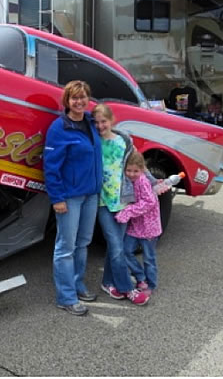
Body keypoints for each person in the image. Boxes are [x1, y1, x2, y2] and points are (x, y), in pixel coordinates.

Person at [43, 80, 102, 316]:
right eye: (74, 98)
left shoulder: (91, 122)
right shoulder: (59, 128)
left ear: (88, 99)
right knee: (65, 247)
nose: (79, 102)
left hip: (91, 194)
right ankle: (66, 297)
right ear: (67, 101)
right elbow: (50, 167)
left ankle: (78, 285)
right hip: (69, 197)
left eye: (83, 97)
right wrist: (57, 198)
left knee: (83, 243)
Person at [92, 104, 150, 306]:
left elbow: (138, 162)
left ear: (111, 120)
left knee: (114, 247)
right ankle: (127, 289)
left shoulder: (123, 140)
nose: (100, 126)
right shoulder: (93, 141)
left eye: (103, 121)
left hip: (123, 201)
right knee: (116, 246)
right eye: (97, 122)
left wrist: (152, 182)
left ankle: (108, 282)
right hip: (102, 202)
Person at [115, 151, 162, 295]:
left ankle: (151, 284)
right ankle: (140, 277)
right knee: (125, 251)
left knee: (149, 258)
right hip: (135, 226)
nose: (131, 174)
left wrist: (128, 211)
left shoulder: (143, 181)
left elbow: (149, 201)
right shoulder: (128, 181)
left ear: (142, 170)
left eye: (136, 171)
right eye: (128, 170)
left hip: (149, 227)